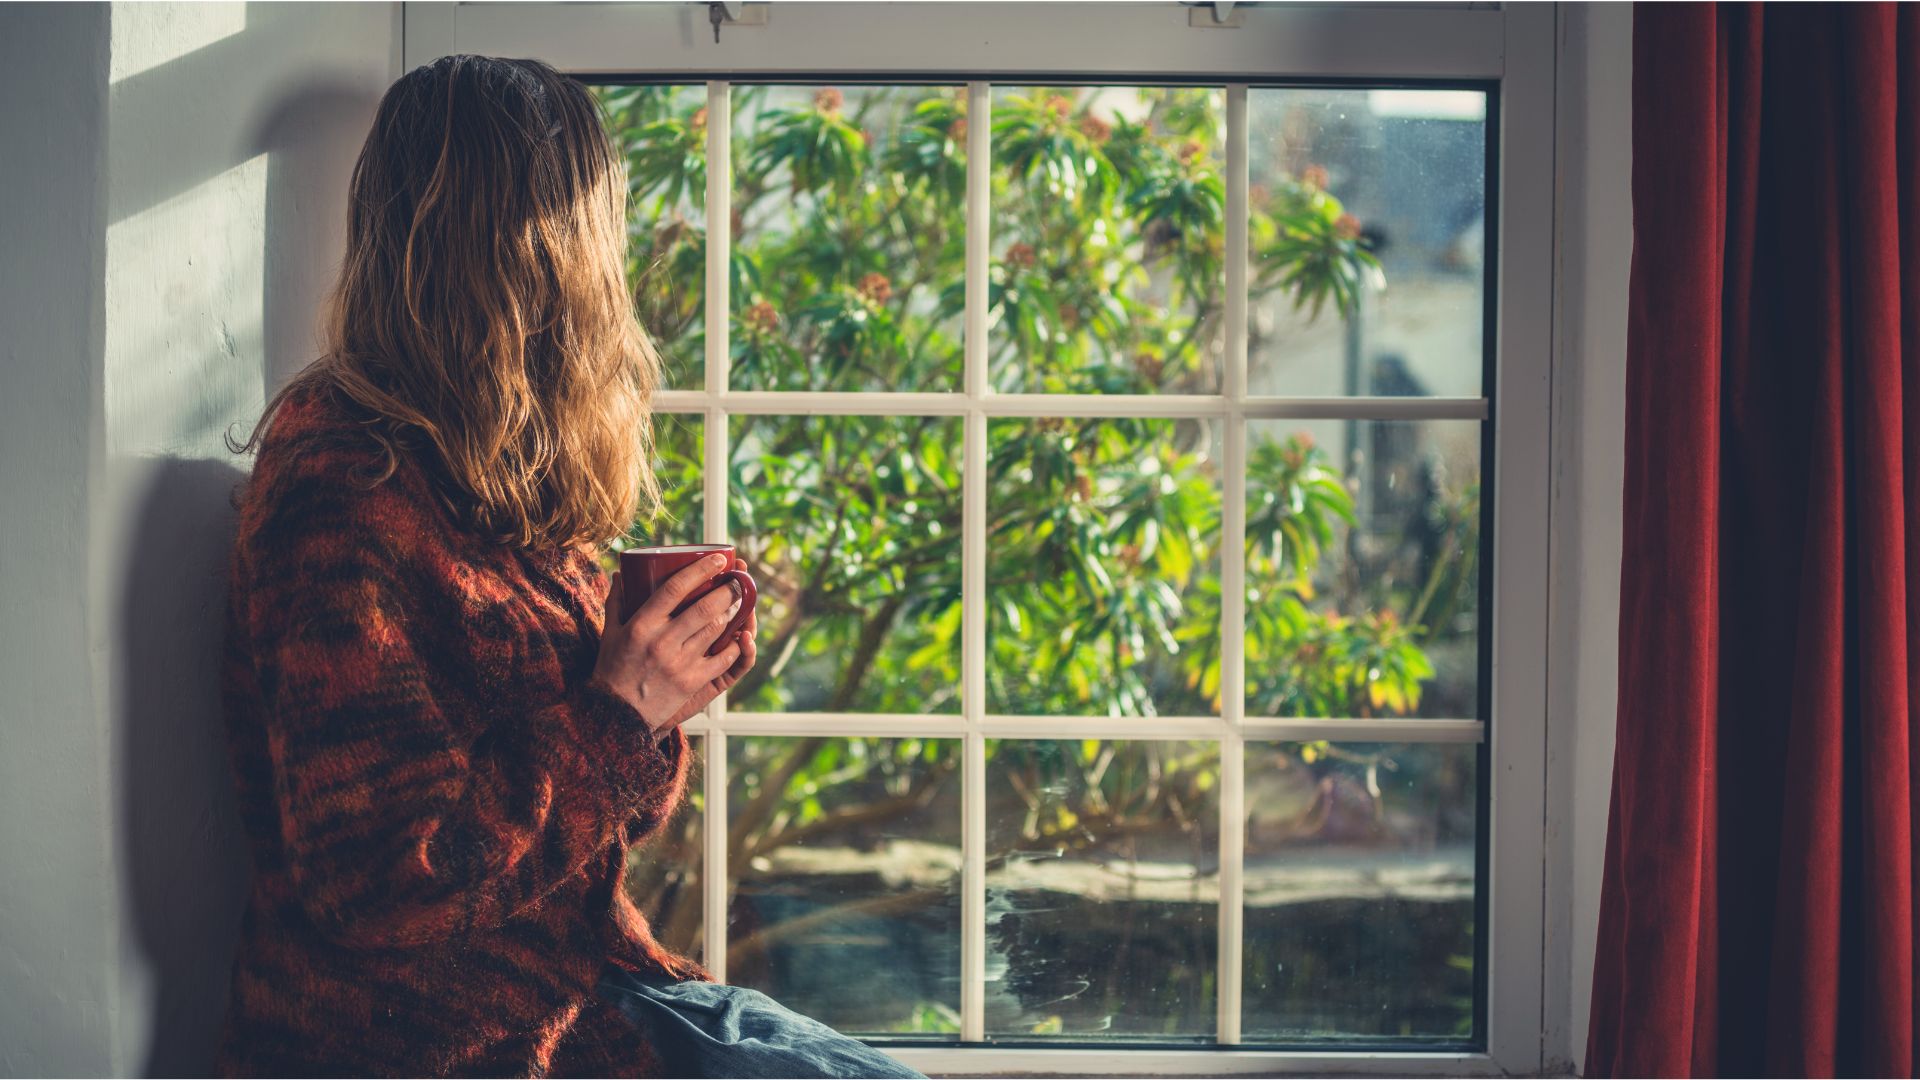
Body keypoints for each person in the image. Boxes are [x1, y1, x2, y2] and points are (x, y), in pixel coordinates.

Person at [217, 54, 924, 1079]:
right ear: (548, 245)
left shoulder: (485, 470)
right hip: (425, 1046)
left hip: (574, 999)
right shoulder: (343, 483)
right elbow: (382, 884)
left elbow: (603, 809)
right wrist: (620, 713)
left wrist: (654, 693)